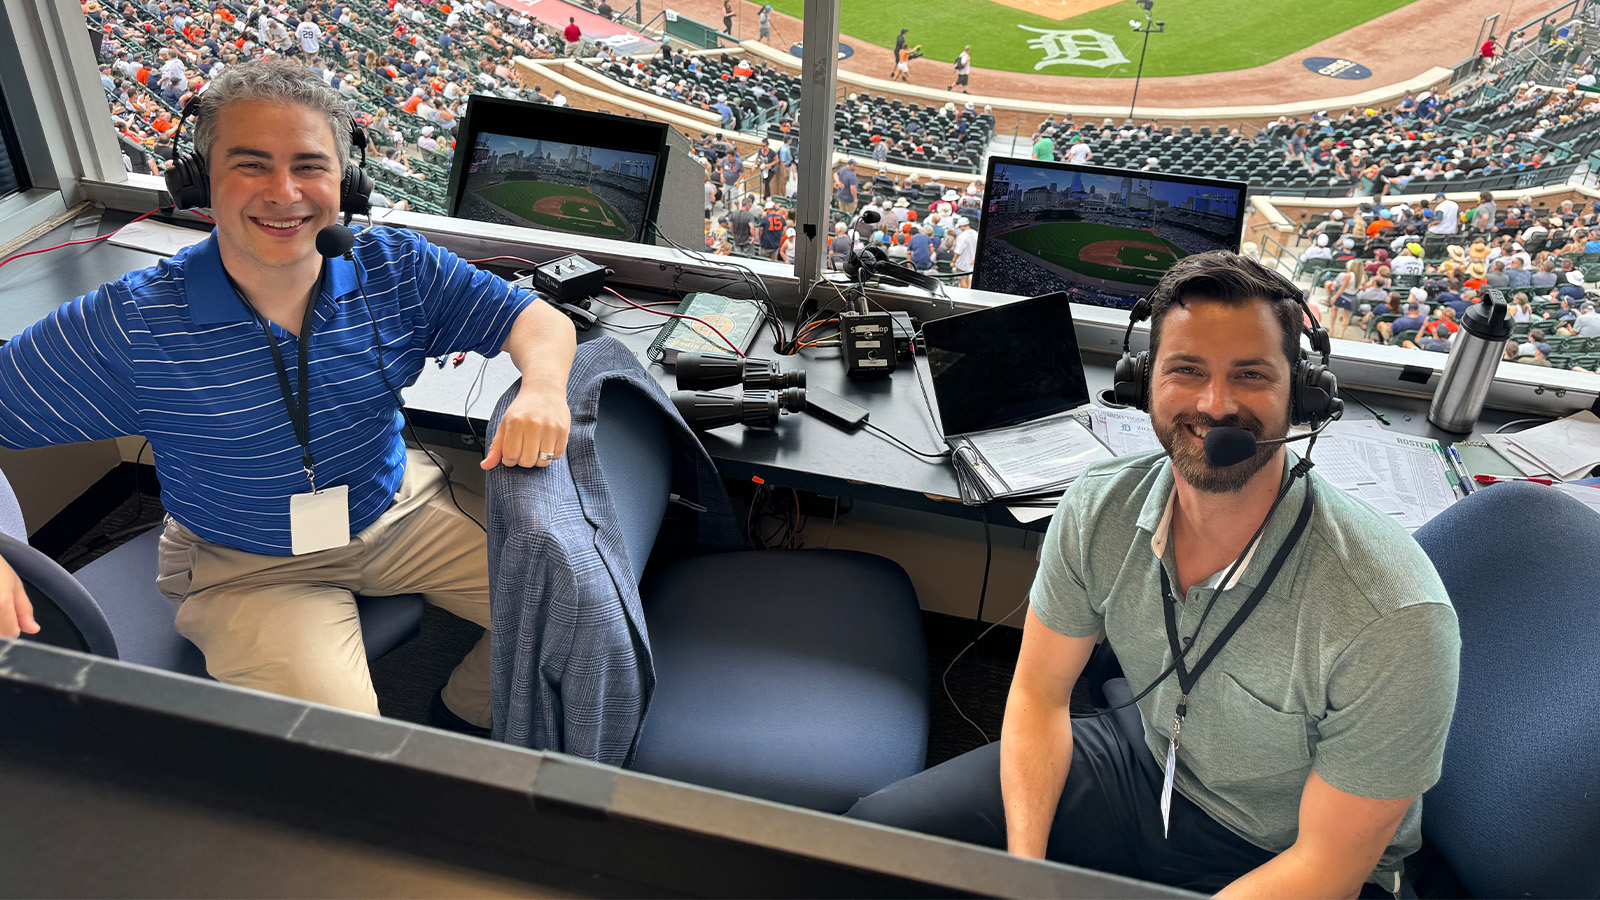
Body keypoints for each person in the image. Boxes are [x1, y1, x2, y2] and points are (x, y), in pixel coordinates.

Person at [848, 251, 1458, 898]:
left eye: (1250, 375)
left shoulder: (1392, 613)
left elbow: (1329, 864)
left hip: (1292, 849)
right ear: (1143, 382)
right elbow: (1039, 697)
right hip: (1145, 764)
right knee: (866, 849)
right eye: (1186, 370)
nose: (1215, 403)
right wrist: (1021, 871)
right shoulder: (1096, 507)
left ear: (1302, 394)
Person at [0, 60, 579, 735]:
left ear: (346, 182)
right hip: (243, 564)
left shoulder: (396, 266)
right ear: (199, 181)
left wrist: (543, 387)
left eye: (309, 165)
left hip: (398, 511)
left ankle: (464, 716)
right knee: (342, 750)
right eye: (250, 165)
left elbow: (537, 320)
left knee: (571, 609)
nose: (284, 193)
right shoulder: (131, 324)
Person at [952, 216, 977, 288]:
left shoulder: (962, 237)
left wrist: (953, 261)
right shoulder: (976, 234)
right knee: (967, 280)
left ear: (963, 226)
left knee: (962, 280)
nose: (960, 228)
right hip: (972, 261)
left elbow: (958, 252)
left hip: (962, 262)